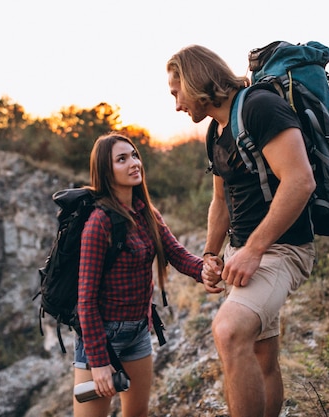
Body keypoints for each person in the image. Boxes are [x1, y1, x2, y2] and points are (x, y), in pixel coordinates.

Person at [167, 45, 317, 417]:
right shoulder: (216, 130)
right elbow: (221, 201)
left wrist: (253, 250)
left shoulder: (259, 107)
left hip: (282, 250)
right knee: (261, 357)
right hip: (244, 252)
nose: (176, 105)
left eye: (176, 93)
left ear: (194, 81)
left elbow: (299, 181)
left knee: (229, 331)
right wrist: (211, 254)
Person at [73, 132, 222, 417]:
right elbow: (85, 300)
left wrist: (204, 271)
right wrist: (99, 361)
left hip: (139, 331)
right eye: (122, 159)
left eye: (134, 156)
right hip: (102, 336)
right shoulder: (98, 223)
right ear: (106, 170)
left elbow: (177, 254)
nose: (134, 163)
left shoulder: (146, 213)